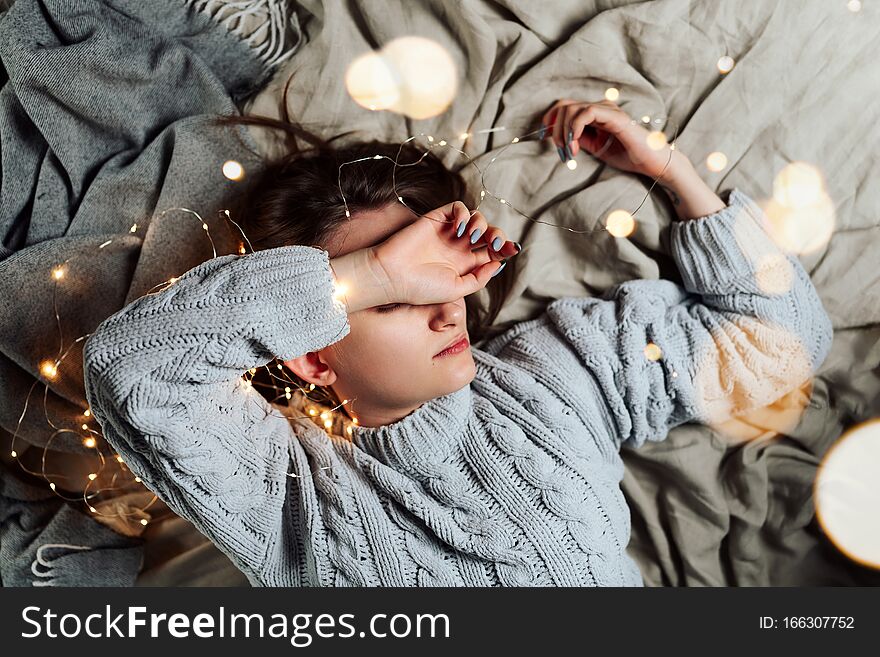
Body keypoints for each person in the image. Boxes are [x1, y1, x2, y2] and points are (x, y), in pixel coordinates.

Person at [83, 100, 833, 586]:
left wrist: (667, 170)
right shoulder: (288, 493)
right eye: (404, 297)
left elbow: (781, 342)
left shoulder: (554, 375)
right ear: (313, 353)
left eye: (448, 281)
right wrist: (372, 271)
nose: (449, 313)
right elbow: (131, 370)